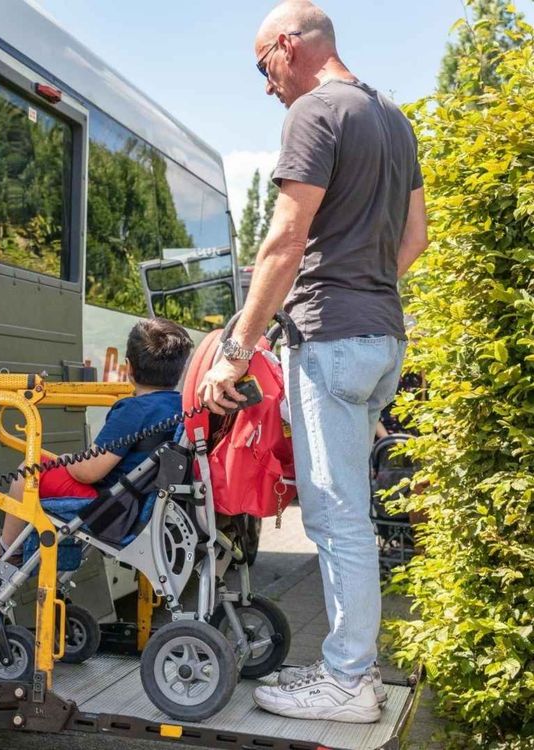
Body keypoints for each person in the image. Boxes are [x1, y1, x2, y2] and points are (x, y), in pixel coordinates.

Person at [197, 1, 429, 724]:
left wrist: (233, 352)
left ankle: (348, 680)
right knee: (348, 511)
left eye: (263, 64)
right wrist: (361, 287)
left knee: (337, 520)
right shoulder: (393, 117)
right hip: (381, 336)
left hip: (330, 340)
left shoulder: (314, 113)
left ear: (289, 46)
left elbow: (282, 243)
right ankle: (346, 668)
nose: (265, 84)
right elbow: (415, 238)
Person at [0, 317, 193, 567]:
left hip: (114, 505)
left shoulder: (132, 410)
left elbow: (88, 472)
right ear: (180, 371)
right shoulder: (182, 407)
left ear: (128, 368)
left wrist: (70, 462)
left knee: (28, 472)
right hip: (145, 504)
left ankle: (5, 548)